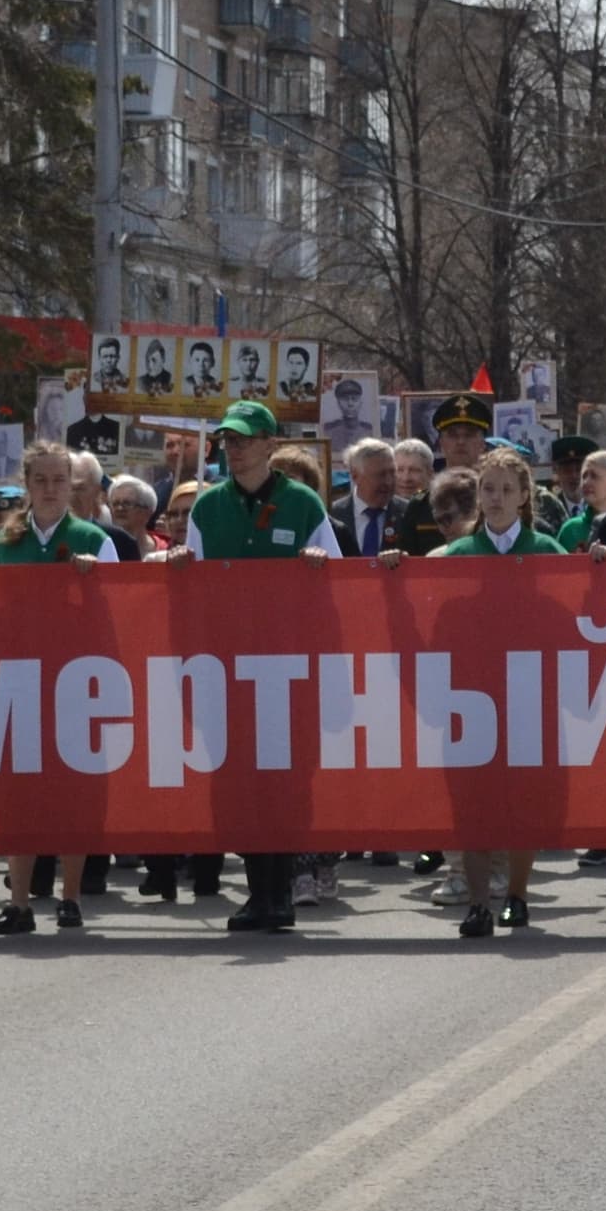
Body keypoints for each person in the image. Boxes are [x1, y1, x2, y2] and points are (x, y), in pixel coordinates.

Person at [177, 399, 340, 932]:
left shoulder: (305, 506)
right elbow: (193, 590)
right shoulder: (206, 509)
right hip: (227, 669)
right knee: (237, 783)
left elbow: (339, 590)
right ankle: (258, 893)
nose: (235, 448)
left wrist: (319, 571)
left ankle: (282, 892)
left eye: (245, 439)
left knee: (285, 782)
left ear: (271, 445)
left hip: (288, 669)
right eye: (228, 440)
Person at [0, 440, 111, 936]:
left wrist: (91, 585)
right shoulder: (2, 544)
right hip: (18, 681)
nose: (51, 489)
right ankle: (18, 901)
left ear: (72, 486)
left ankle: (71, 896)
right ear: (27, 484)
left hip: (75, 682)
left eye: (61, 480)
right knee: (18, 792)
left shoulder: (96, 541)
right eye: (41, 480)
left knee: (73, 792)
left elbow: (117, 618)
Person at [437, 448, 567, 937]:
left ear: (524, 496)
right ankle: (477, 903)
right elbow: (436, 621)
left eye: (506, 490)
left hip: (529, 691)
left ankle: (516, 895)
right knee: (473, 802)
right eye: (488, 490)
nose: (495, 499)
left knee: (522, 801)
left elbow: (571, 619)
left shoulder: (547, 552)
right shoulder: (458, 556)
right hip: (470, 693)